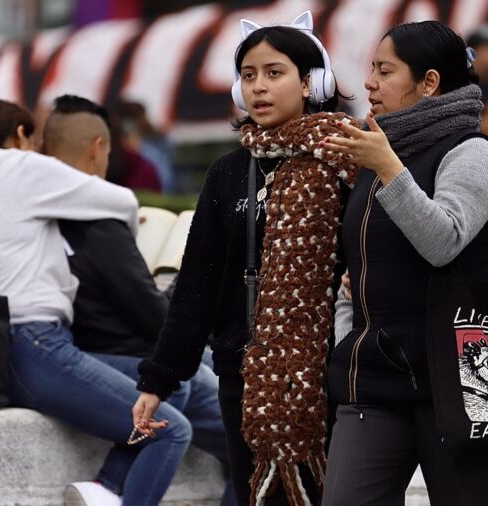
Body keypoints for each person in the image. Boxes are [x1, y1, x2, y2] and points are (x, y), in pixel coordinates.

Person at [132, 11, 358, 505]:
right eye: (248, 75)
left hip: (337, 375)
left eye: (274, 73)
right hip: (246, 376)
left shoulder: (352, 158)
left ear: (311, 81)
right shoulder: (229, 172)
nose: (258, 87)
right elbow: (197, 285)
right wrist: (159, 379)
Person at [0, 99, 192, 506]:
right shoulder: (20, 166)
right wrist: (120, 229)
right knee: (172, 431)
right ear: (20, 135)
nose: (39, 149)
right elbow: (119, 199)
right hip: (36, 345)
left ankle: (102, 492)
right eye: (34, 140)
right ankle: (107, 490)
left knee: (171, 383)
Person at [320, 21, 488, 505]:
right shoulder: (379, 152)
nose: (369, 83)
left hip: (456, 386)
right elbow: (354, 272)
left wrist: (387, 167)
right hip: (374, 383)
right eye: (371, 70)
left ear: (429, 82)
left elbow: (442, 240)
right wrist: (348, 335)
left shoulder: (472, 152)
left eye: (385, 71)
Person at [42, 93, 235, 506]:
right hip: (131, 354)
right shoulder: (102, 220)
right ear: (98, 149)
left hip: (91, 349)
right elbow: (152, 318)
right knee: (252, 435)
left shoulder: (38, 213)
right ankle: (110, 486)